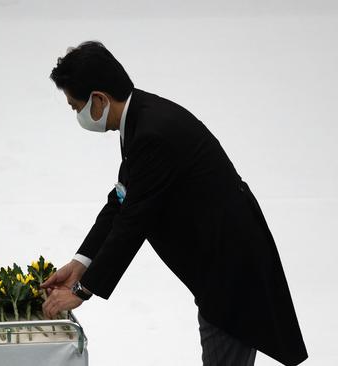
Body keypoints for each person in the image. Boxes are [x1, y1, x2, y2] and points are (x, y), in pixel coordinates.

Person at [41, 41, 308, 366]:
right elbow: (122, 200)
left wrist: (82, 290)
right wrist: (81, 262)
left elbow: (133, 222)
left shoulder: (152, 134)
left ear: (98, 99)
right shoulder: (140, 117)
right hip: (219, 266)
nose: (77, 115)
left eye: (75, 106)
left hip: (230, 271)